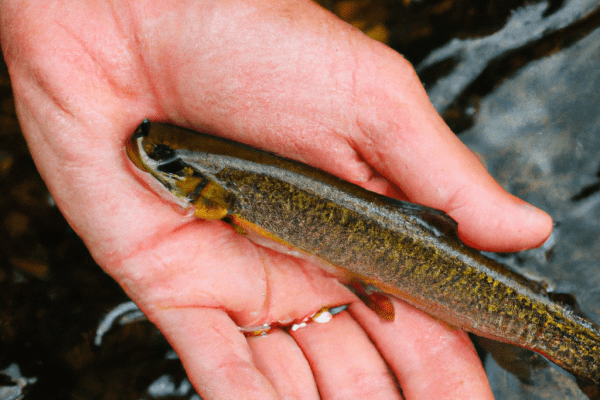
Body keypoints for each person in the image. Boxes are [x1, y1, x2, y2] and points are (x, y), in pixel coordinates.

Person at [0, 0, 552, 398]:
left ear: (215, 196)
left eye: (169, 166)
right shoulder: (225, 193)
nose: (146, 158)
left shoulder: (228, 196)